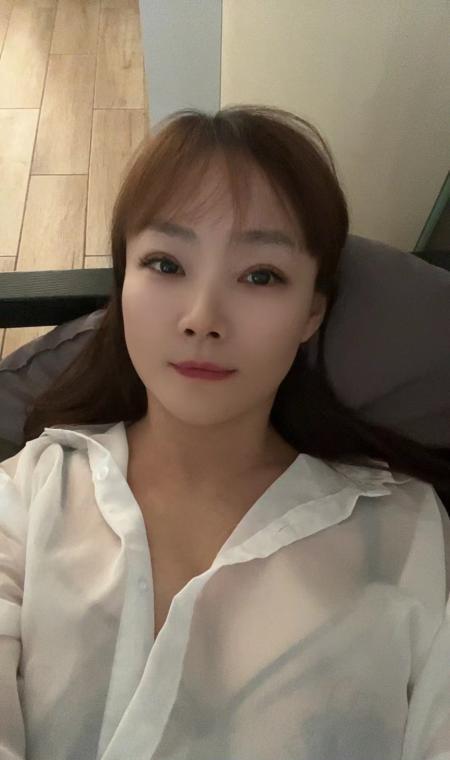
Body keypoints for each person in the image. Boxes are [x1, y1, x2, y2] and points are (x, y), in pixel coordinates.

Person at [0, 105, 449, 759]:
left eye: (260, 275)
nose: (202, 317)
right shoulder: (24, 496)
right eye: (165, 264)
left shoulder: (408, 532)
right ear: (123, 286)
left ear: (311, 312)